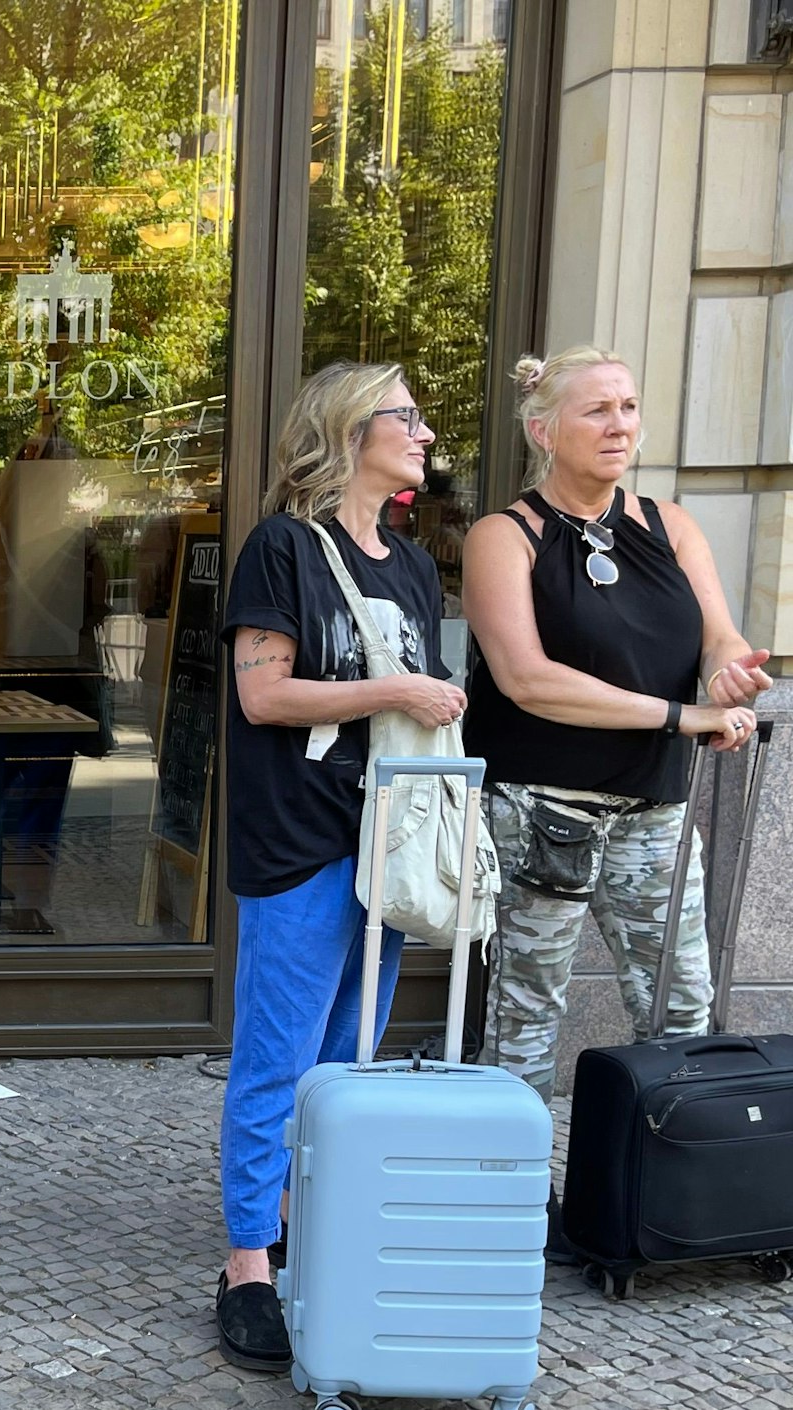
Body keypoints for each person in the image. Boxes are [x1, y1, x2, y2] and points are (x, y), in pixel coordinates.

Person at [462, 345, 768, 1256]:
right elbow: (526, 679)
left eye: (629, 407)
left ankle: (668, 1205)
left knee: (680, 1011)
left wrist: (729, 675)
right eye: (597, 410)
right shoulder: (503, 535)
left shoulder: (670, 524)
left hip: (655, 812)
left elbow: (720, 637)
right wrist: (681, 715)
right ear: (543, 429)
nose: (620, 425)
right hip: (540, 808)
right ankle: (510, 1214)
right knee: (527, 1020)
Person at [215, 363, 465, 1371]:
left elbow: (424, 699)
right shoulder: (281, 550)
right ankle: (244, 1265)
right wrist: (393, 687)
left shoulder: (409, 563)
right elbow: (262, 698)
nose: (421, 430)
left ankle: (313, 1230)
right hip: (300, 837)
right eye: (404, 415)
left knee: (346, 1062)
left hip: (390, 837)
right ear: (350, 430)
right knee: (276, 1057)